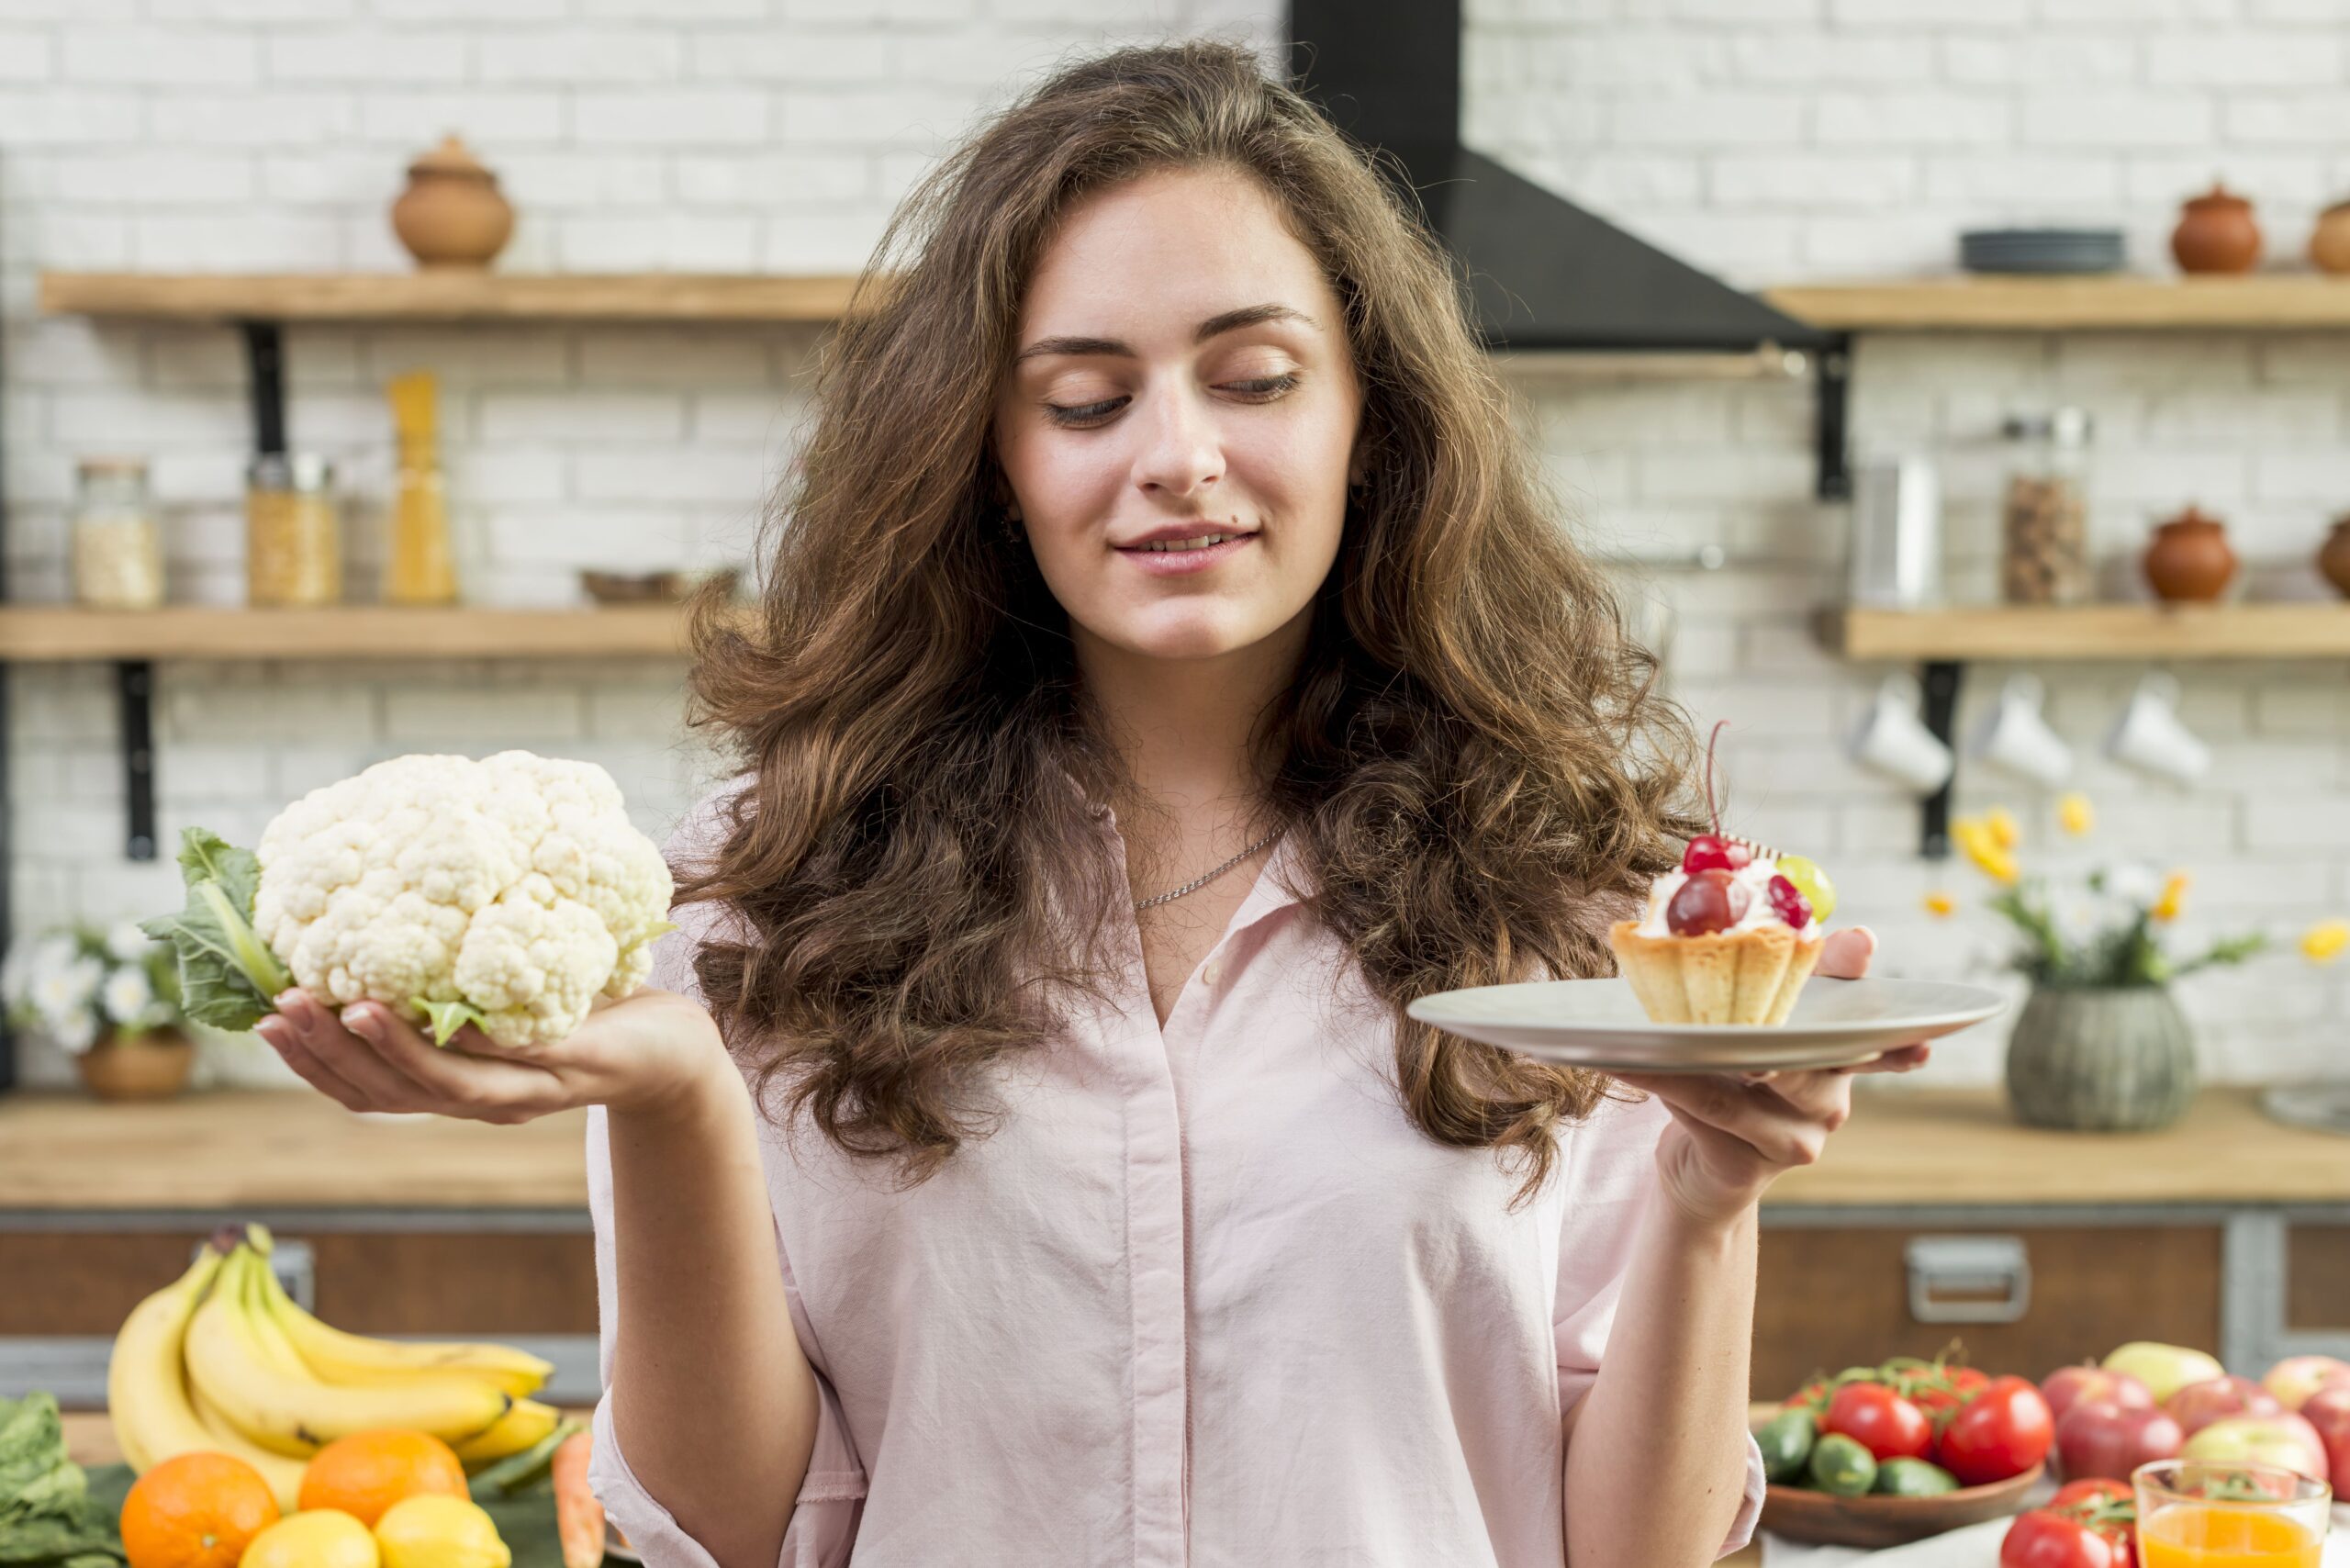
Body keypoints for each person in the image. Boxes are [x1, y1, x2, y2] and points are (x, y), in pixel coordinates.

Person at [254, 39, 1929, 1568]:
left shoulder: (1572, 913)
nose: (1177, 455)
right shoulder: (761, 888)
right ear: (991, 454)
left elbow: (1634, 1552)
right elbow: (731, 1537)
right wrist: (680, 1099)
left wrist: (1713, 1199)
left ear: (1374, 423)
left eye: (1256, 378)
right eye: (1085, 397)